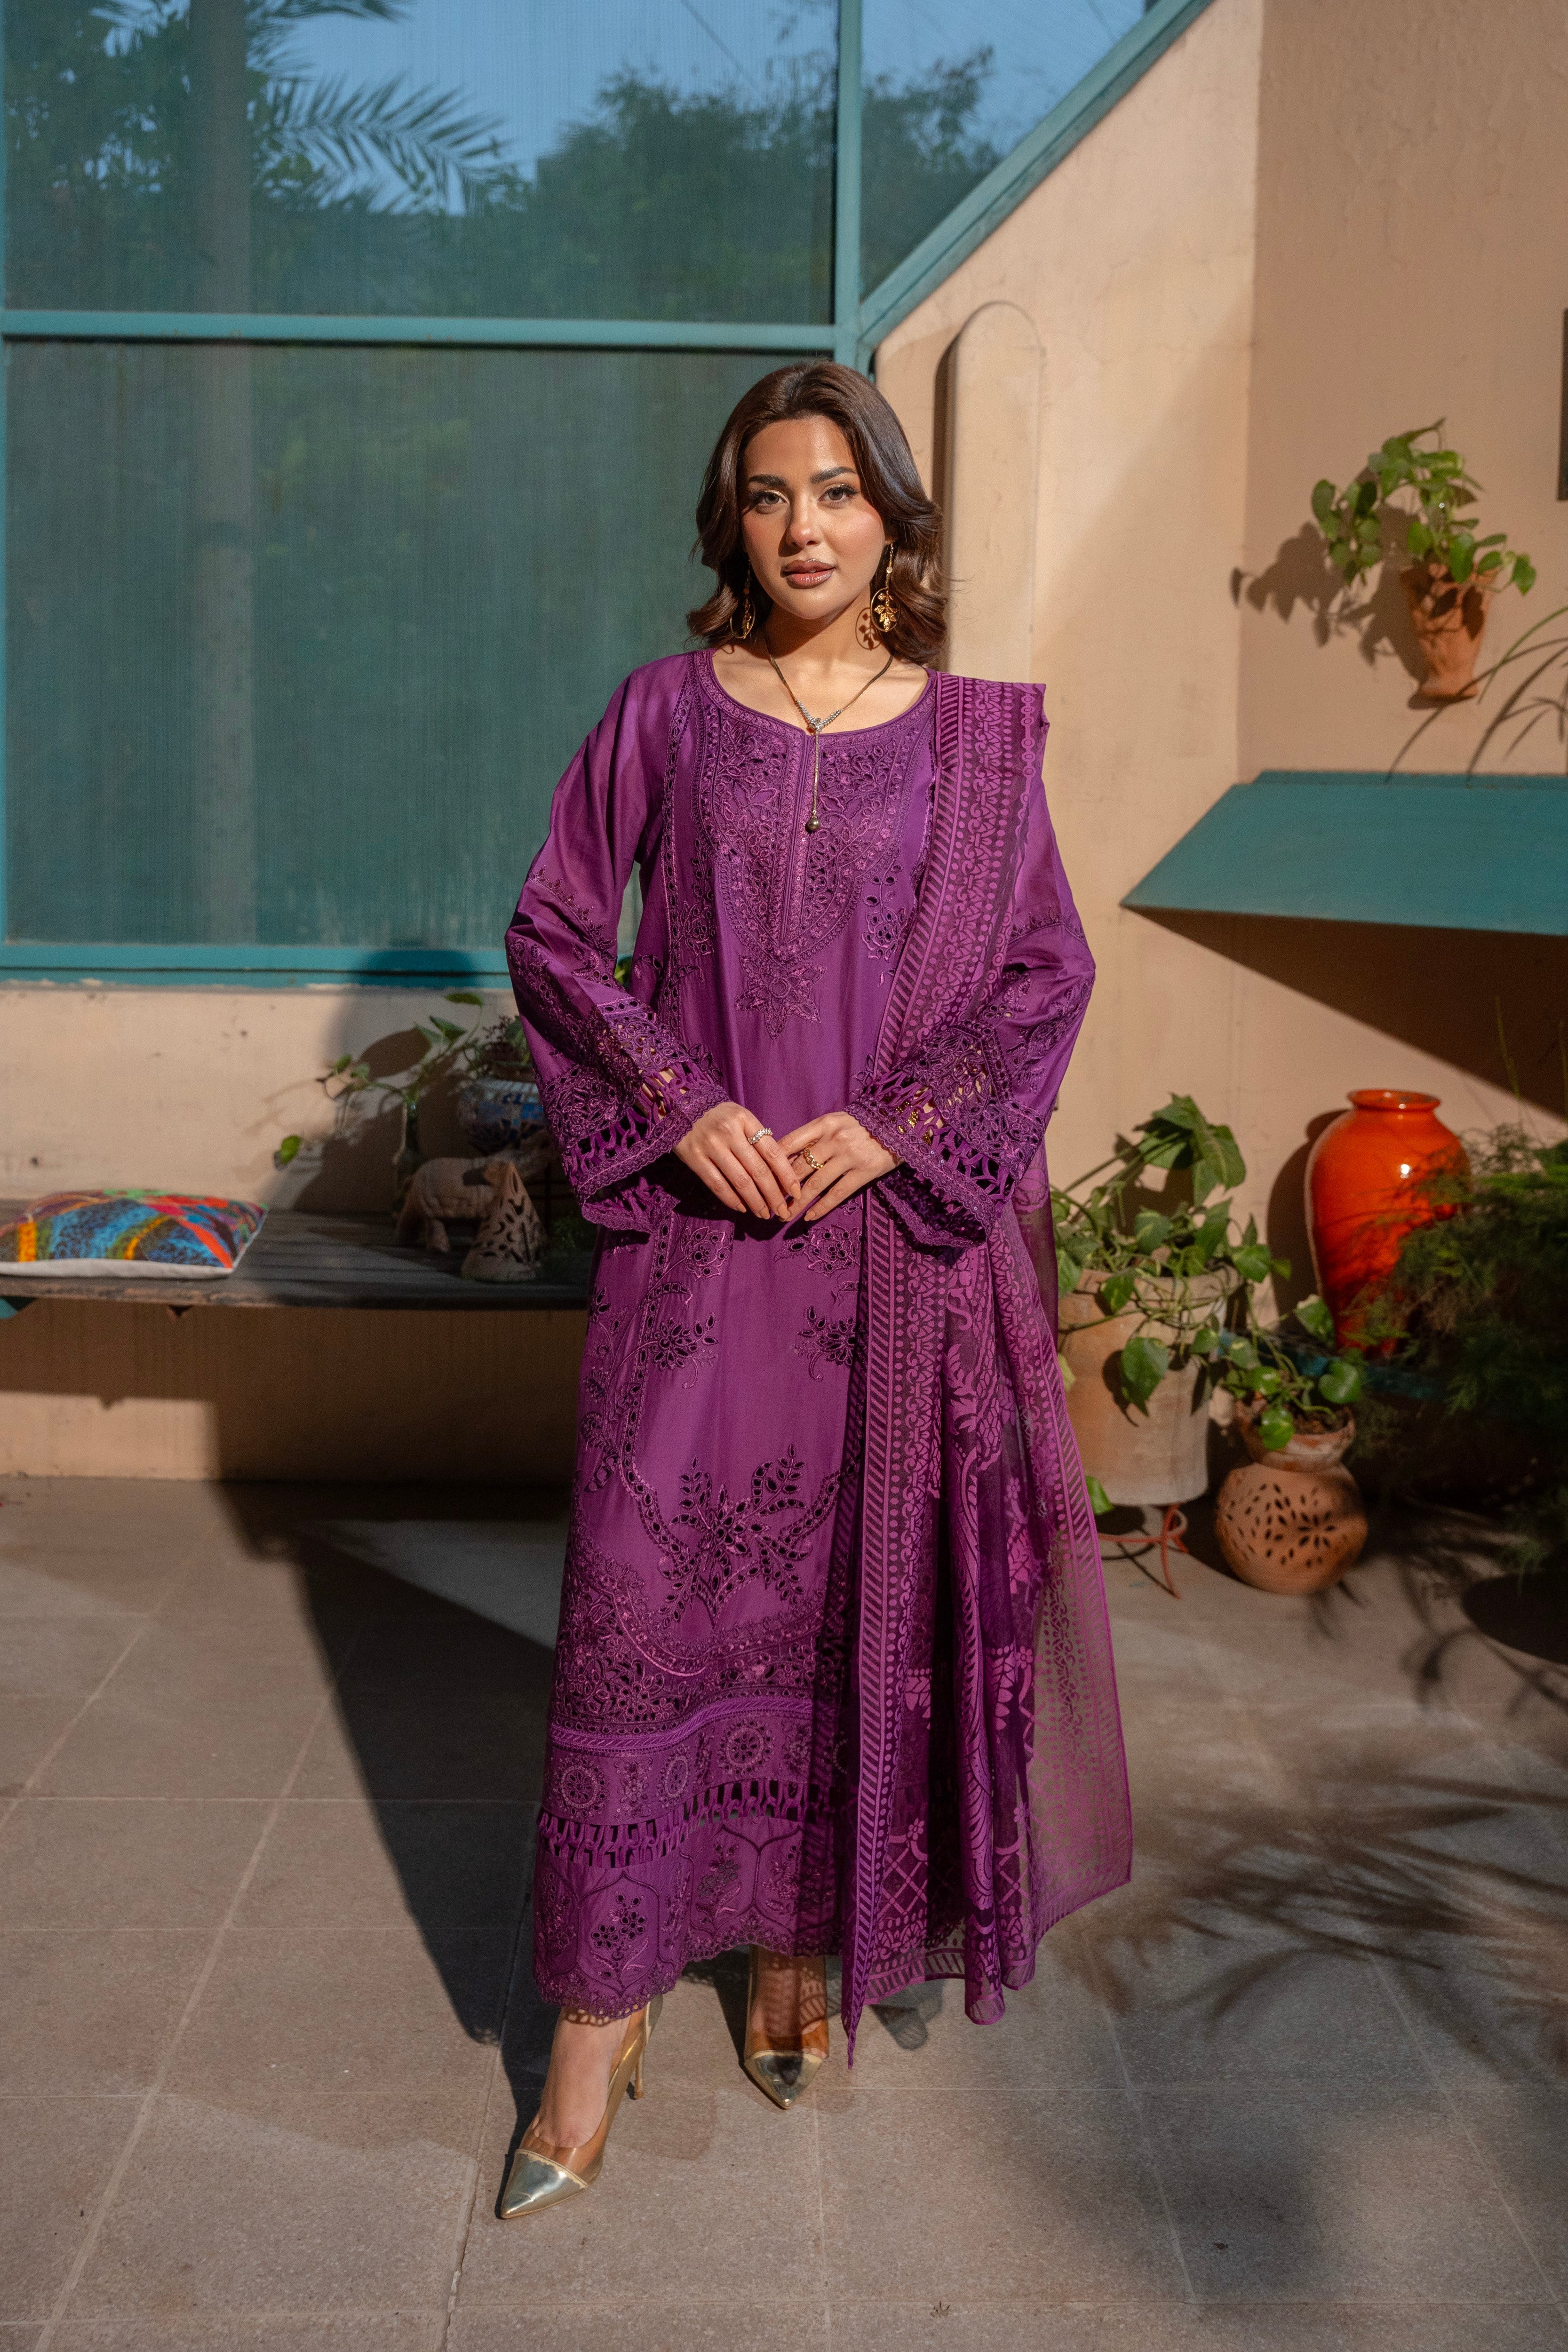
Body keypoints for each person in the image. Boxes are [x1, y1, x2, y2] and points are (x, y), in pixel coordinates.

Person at [500, 361, 1130, 2216]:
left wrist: (897, 1127)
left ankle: (797, 1950)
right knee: (642, 1601)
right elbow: (557, 931)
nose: (804, 526)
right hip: (700, 1253)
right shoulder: (664, 713)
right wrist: (683, 1107)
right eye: (771, 494)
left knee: (845, 1602)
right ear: (734, 522)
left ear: (892, 518)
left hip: (887, 1257)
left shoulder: (976, 743)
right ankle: (594, 2018)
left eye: (840, 491)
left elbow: (1044, 973)